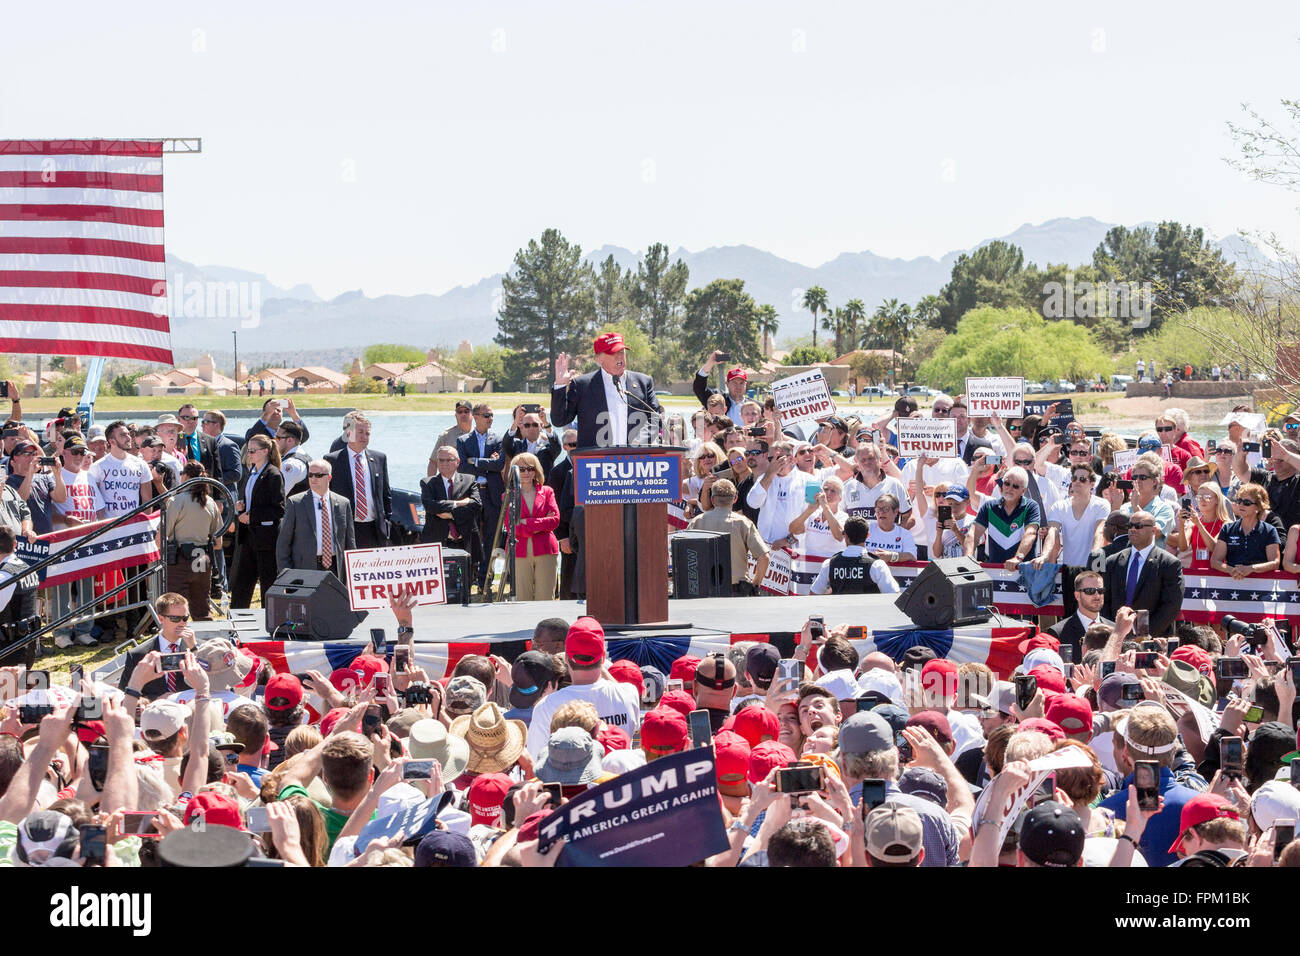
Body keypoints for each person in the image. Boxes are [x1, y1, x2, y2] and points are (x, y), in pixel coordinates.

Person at [524, 617, 641, 757]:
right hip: (621, 777)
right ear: (603, 658)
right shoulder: (629, 693)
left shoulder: (547, 706)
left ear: (566, 658)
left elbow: (536, 761)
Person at [551, 332, 663, 448]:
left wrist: (640, 441)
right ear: (598, 359)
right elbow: (559, 420)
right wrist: (560, 386)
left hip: (636, 460)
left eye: (621, 351)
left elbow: (655, 418)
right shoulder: (582, 385)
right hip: (597, 461)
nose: (619, 356)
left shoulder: (643, 382)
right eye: (613, 352)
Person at [1099, 509, 1185, 637]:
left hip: (1153, 638)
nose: (1133, 529)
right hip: (1116, 635)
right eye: (1130, 526)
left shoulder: (1169, 563)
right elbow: (1104, 601)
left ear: (1153, 531)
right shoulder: (1113, 561)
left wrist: (1143, 635)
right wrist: (1113, 631)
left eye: (1138, 526)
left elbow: (1171, 606)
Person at [686, 479, 770, 595]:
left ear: (712, 499)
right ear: (735, 499)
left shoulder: (697, 522)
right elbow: (764, 557)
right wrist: (755, 586)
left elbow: (685, 555)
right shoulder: (744, 523)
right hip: (736, 591)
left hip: (704, 590)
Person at [230, 434, 285, 609]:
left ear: (265, 451)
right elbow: (255, 499)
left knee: (268, 581)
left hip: (266, 537)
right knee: (242, 582)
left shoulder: (273, 474)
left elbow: (278, 509)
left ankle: (270, 618)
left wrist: (252, 515)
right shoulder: (252, 472)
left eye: (253, 451)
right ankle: (237, 618)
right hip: (249, 536)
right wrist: (243, 505)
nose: (249, 454)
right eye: (248, 451)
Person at [276, 459, 356, 579]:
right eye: (310, 475)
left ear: (329, 478)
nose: (313, 479)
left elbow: (350, 542)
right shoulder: (295, 503)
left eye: (318, 475)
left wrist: (352, 572)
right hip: (305, 568)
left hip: (336, 568)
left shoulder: (343, 503)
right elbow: (283, 543)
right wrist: (287, 575)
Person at [164, 461, 224, 619]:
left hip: (180, 560)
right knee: (202, 609)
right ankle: (204, 641)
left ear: (187, 476)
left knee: (175, 609)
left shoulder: (176, 501)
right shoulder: (210, 503)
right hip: (202, 559)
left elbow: (162, 536)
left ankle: (177, 642)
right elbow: (218, 543)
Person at [325, 413, 392, 551]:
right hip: (346, 528)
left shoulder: (379, 458)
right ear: (349, 433)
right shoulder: (333, 460)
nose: (364, 437)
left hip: (375, 529)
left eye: (367, 433)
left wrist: (386, 523)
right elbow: (327, 495)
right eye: (360, 432)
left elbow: (386, 494)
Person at [457, 403, 505, 584]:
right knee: (472, 536)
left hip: (492, 495)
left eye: (492, 415)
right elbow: (462, 467)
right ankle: (470, 578)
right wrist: (487, 465)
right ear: (475, 416)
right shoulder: (463, 440)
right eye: (486, 415)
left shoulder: (498, 439)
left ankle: (486, 579)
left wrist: (476, 461)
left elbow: (499, 464)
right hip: (472, 495)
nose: (490, 419)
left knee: (492, 538)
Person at [507, 451, 560, 602]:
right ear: (514, 472)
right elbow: (512, 527)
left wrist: (526, 523)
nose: (526, 472)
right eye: (521, 469)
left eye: (530, 468)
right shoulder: (508, 495)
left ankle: (545, 627)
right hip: (519, 552)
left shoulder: (547, 492)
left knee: (545, 598)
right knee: (522, 599)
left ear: (536, 471)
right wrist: (541, 523)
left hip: (546, 551)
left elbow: (555, 521)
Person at [965, 466, 1040, 570]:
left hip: (1022, 572)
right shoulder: (989, 506)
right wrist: (968, 557)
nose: (1009, 489)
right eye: (1007, 483)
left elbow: (1030, 534)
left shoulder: (1031, 506)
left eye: (1015, 486)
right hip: (994, 571)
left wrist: (1018, 558)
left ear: (1024, 490)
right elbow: (973, 534)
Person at [809, 517, 901, 595]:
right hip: (869, 615)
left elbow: (814, 594)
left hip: (839, 615)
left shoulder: (829, 564)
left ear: (845, 536)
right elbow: (894, 595)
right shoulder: (877, 565)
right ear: (868, 536)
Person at [420, 447, 482, 559]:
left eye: (448, 460)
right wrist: (457, 503)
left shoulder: (469, 480)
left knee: (469, 575)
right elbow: (430, 506)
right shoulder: (427, 483)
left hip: (465, 540)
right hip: (437, 540)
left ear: (457, 462)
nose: (444, 463)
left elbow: (476, 505)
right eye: (441, 460)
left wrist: (451, 514)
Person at [1210, 482, 1281, 579]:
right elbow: (1215, 561)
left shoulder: (1269, 530)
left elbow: (1275, 563)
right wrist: (1231, 570)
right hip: (1231, 585)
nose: (1241, 505)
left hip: (1261, 588)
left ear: (1258, 507)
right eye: (1239, 501)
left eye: (1246, 503)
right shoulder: (1227, 529)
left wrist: (1251, 568)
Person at [746, 440, 808, 549]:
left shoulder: (807, 481)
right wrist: (770, 474)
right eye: (771, 459)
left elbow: (811, 517)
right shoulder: (765, 478)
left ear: (791, 459)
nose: (774, 462)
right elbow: (752, 503)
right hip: (764, 547)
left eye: (778, 458)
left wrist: (788, 540)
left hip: (792, 549)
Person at [88, 420, 153, 518]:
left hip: (133, 526)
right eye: (123, 435)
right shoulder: (97, 467)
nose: (129, 438)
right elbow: (95, 502)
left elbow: (147, 501)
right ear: (112, 441)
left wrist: (142, 525)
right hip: (108, 527)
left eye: (128, 434)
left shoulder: (141, 465)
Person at [1047, 570, 1112, 658]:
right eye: (1090, 591)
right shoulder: (1058, 632)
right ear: (1077, 596)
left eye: (1100, 590)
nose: (1097, 595)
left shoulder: (1114, 630)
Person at [1167, 481, 1230, 571]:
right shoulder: (1193, 522)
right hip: (1196, 573)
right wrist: (1181, 523)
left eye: (1207, 497)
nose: (1202, 500)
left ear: (1217, 499)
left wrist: (1199, 524)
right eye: (1199, 497)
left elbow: (1214, 548)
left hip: (1216, 575)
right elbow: (1183, 547)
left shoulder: (1225, 523)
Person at [694, 350, 749, 420]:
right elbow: (699, 387)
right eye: (734, 383)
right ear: (727, 384)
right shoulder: (718, 401)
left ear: (746, 385)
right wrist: (710, 363)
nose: (738, 386)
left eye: (741, 383)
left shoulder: (755, 407)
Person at [430, 400, 476, 476]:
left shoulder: (479, 435)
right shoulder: (446, 435)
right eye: (460, 412)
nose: (463, 414)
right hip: (452, 482)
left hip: (475, 481)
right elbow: (433, 462)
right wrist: (430, 485)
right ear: (456, 415)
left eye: (466, 411)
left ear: (473, 414)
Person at [245, 397, 310, 445]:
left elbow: (304, 437)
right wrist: (266, 415)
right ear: (263, 413)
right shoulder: (256, 432)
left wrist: (293, 413)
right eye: (272, 410)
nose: (275, 412)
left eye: (278, 410)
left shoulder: (287, 432)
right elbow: (250, 440)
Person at [175, 403, 218, 473]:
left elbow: (217, 473)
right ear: (179, 419)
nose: (191, 421)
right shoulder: (172, 440)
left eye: (194, 418)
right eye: (186, 417)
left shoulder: (210, 441)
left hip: (205, 482)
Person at [275, 420, 311, 498]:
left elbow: (277, 495)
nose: (275, 441)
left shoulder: (291, 464)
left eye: (277, 438)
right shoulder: (303, 456)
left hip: (293, 509)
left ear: (290, 440)